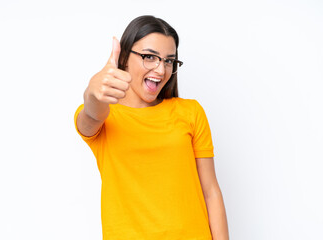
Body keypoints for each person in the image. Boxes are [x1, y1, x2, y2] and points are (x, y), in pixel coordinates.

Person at [74, 15, 229, 240]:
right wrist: (92, 93)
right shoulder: (107, 116)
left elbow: (211, 192)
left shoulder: (190, 111)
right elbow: (89, 117)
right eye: (149, 57)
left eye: (168, 61)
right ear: (125, 57)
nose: (160, 69)